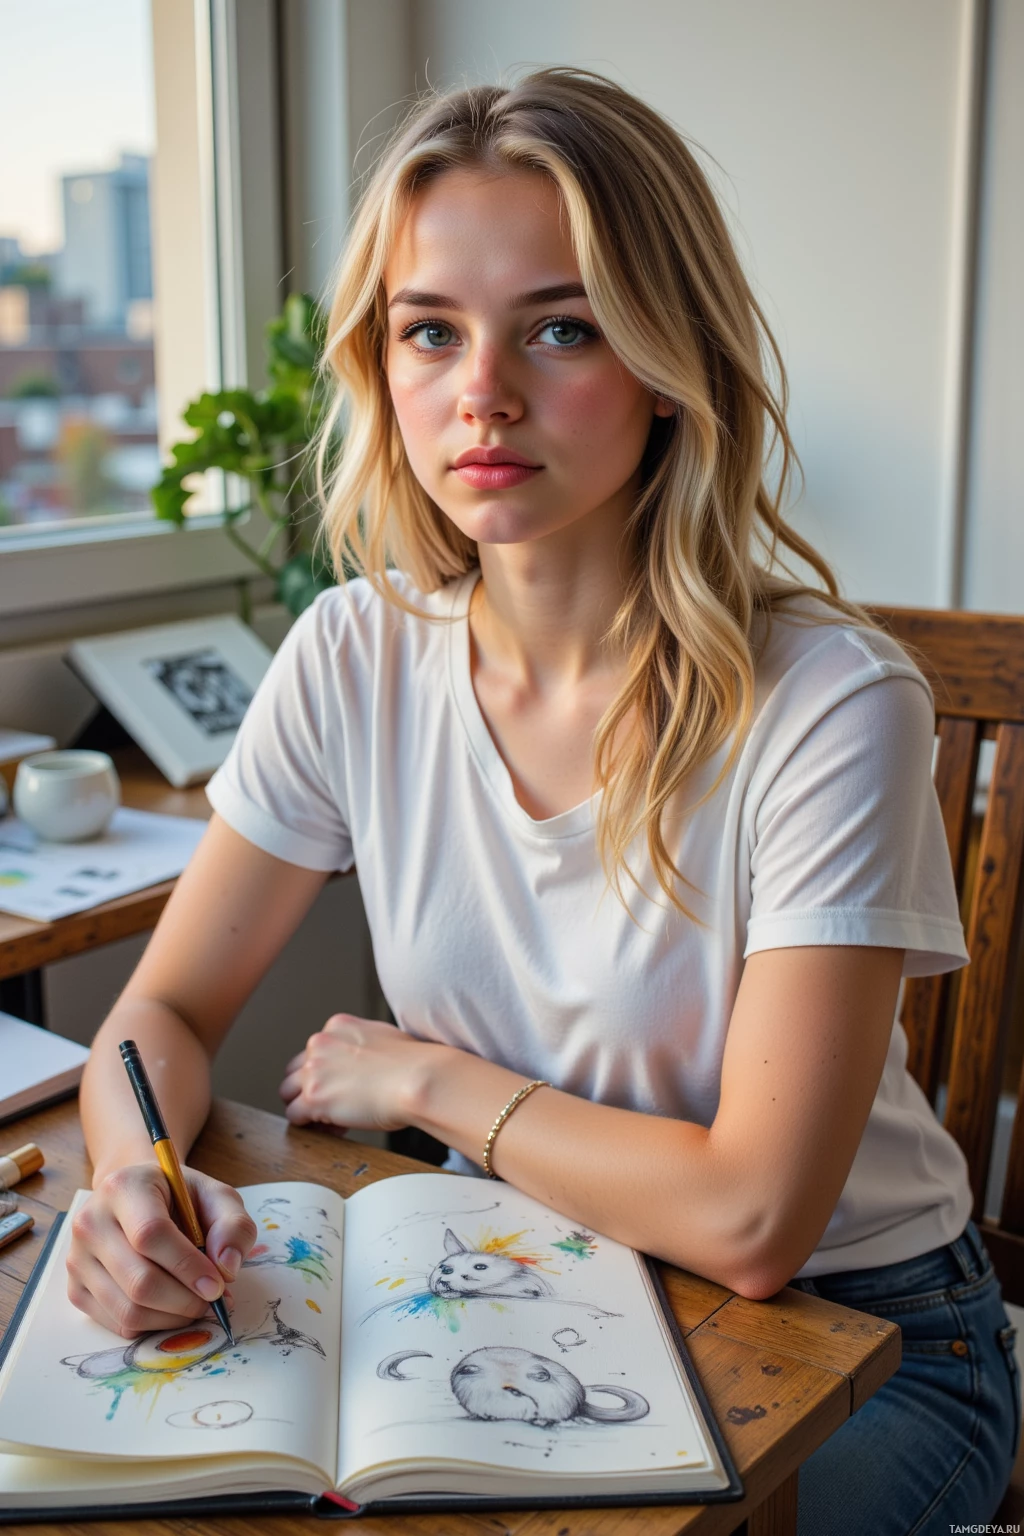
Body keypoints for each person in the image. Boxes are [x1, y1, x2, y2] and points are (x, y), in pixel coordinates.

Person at [67, 68, 1017, 1532]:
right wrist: (132, 1185)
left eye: (561, 327)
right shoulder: (354, 653)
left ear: (667, 359)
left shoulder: (833, 701)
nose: (483, 394)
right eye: (430, 330)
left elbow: (753, 1221)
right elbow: (166, 1014)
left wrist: (424, 1081)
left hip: (860, 1337)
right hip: (517, 1275)